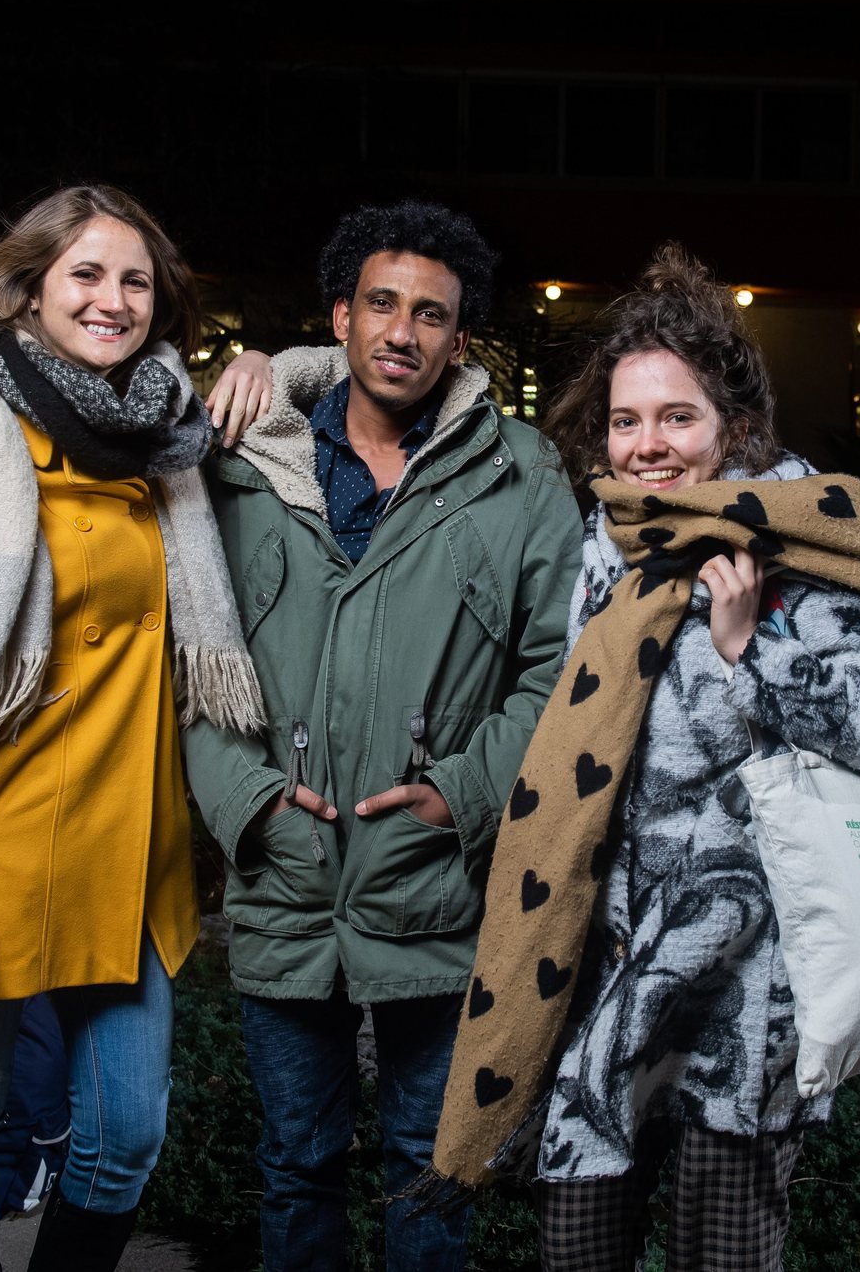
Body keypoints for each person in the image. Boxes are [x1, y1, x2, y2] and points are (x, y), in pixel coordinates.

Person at [425, 243, 860, 1272]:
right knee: (577, 1243)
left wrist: (760, 651)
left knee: (720, 1255)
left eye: (676, 417)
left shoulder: (814, 548)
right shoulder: (607, 545)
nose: (648, 445)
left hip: (745, 996)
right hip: (609, 971)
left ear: (733, 426)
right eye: (626, 421)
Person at [0, 183, 270, 1272]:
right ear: (32, 286)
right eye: (85, 273)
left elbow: (337, 387)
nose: (113, 298)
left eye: (135, 279)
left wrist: (274, 363)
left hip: (131, 859)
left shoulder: (168, 443)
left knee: (126, 1141)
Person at [186, 199, 584, 1271]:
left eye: (430, 314)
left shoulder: (520, 477)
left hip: (437, 884)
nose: (401, 331)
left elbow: (556, 669)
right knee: (296, 1161)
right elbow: (189, 661)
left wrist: (461, 795)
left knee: (426, 1168)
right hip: (287, 875)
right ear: (340, 316)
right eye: (380, 303)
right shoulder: (242, 465)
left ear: (460, 341)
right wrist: (250, 802)